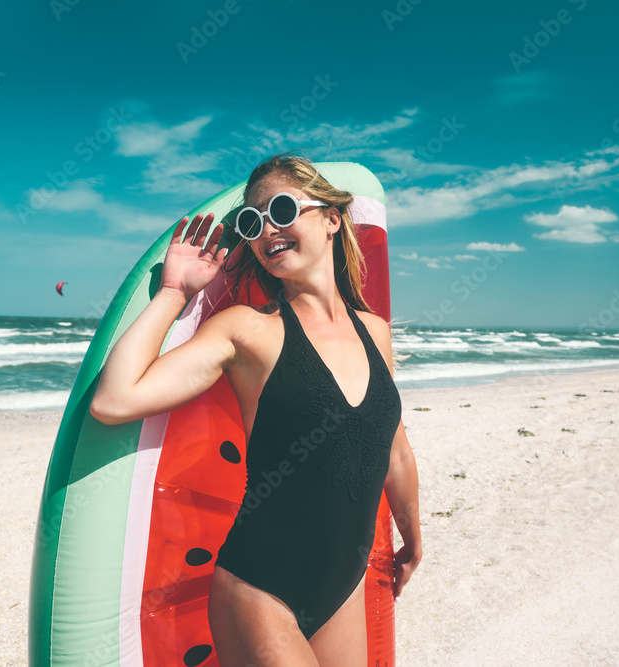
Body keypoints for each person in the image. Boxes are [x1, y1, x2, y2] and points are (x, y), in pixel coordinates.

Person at [90, 154, 422, 666]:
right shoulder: (248, 330)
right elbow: (115, 400)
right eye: (253, 221)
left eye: (282, 209)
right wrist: (174, 292)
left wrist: (412, 537)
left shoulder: (375, 332)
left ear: (333, 219)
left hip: (343, 587)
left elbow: (393, 449)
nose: (268, 230)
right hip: (260, 587)